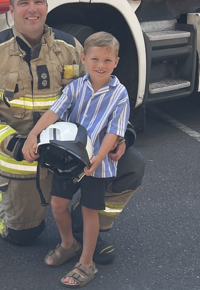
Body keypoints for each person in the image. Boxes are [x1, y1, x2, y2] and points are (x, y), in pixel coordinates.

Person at [0, 0, 145, 266]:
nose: (31, 9)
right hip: (23, 156)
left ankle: (84, 228)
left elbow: (103, 90)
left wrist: (122, 135)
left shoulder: (71, 46)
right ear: (11, 10)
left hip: (73, 151)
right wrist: (14, 143)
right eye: (23, 3)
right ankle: (2, 195)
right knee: (21, 236)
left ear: (47, 6)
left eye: (38, 1)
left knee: (131, 166)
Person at [21, 31, 128, 287]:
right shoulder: (75, 87)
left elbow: (115, 131)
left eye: (107, 60)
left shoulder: (120, 94)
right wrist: (33, 135)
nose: (100, 65)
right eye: (94, 59)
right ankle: (69, 244)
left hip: (96, 164)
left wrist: (99, 158)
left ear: (116, 62)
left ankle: (87, 262)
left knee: (89, 211)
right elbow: (54, 112)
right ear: (83, 59)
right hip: (69, 158)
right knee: (58, 205)